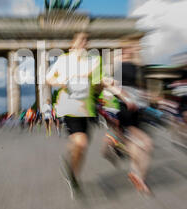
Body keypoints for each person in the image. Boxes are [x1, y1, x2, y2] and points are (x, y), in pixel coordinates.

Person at [46, 32, 102, 199]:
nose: (84, 42)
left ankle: (73, 175)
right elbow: (48, 78)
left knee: (81, 148)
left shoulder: (94, 61)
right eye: (80, 40)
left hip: (88, 109)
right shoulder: (63, 60)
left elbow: (99, 84)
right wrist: (62, 81)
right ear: (73, 44)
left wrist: (98, 85)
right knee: (81, 142)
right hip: (70, 106)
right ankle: (72, 172)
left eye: (86, 40)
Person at [103, 39, 153, 195]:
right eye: (131, 46)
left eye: (135, 47)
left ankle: (135, 172)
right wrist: (125, 97)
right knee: (144, 143)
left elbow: (140, 87)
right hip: (125, 107)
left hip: (138, 108)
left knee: (138, 143)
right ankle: (138, 176)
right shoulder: (119, 65)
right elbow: (110, 84)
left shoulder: (137, 66)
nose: (134, 49)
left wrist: (146, 97)